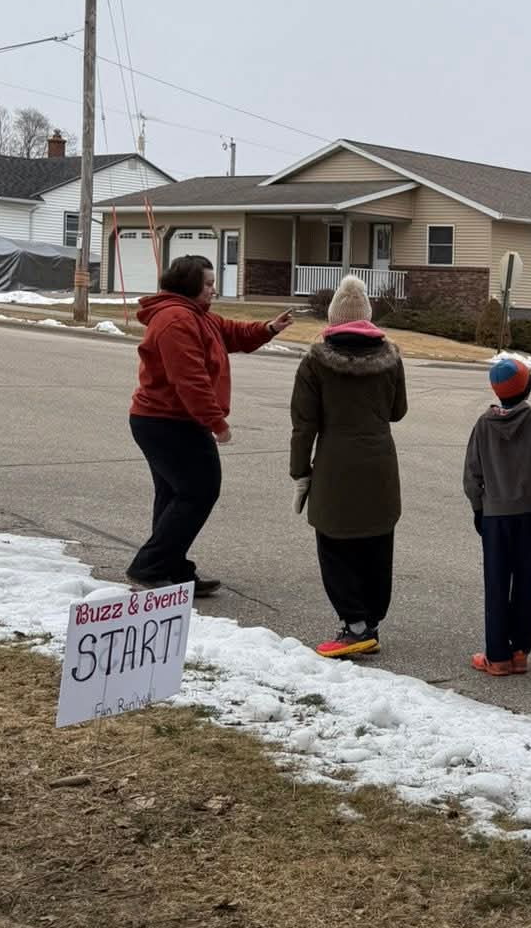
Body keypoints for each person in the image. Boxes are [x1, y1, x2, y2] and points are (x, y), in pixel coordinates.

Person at [128, 254, 291, 593]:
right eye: (208, 284)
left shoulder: (197, 316)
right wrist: (216, 422)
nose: (213, 290)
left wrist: (269, 329)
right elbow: (189, 379)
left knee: (175, 494)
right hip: (167, 422)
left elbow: (232, 332)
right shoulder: (175, 319)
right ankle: (149, 567)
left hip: (169, 420)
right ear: (189, 284)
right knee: (199, 491)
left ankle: (171, 569)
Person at [289, 276, 407, 658]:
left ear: (333, 317)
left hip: (334, 465)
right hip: (380, 464)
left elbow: (304, 425)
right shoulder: (391, 359)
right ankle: (370, 622)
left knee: (334, 545)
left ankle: (354, 625)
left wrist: (300, 472)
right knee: (377, 543)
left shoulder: (314, 363)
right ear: (367, 317)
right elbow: (398, 411)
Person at [463, 354, 531, 676]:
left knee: (496, 582)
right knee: (525, 581)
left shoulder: (483, 425)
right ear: (528, 387)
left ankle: (497, 655)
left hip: (495, 514)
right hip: (529, 512)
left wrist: (478, 507)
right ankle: (520, 649)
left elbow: (472, 475)